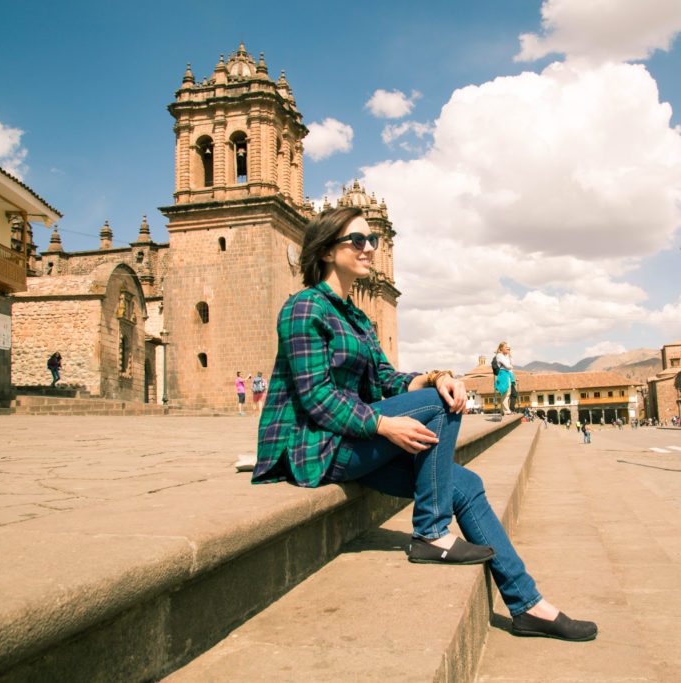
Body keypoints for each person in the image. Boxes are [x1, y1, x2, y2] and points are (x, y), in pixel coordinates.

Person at [252, 207, 596, 642]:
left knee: (465, 480)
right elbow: (317, 398)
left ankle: (528, 605)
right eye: (357, 241)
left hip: (349, 441)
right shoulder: (303, 308)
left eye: (372, 241)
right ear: (325, 250)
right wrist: (384, 424)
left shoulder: (357, 317)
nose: (369, 249)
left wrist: (437, 376)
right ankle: (431, 533)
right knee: (438, 405)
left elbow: (384, 378)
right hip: (314, 448)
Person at [493, 342, 515, 415]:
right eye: (506, 347)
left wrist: (509, 355)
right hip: (503, 375)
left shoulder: (505, 356)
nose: (507, 348)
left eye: (508, 347)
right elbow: (508, 366)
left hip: (506, 374)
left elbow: (512, 363)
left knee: (507, 393)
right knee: (506, 393)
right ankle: (506, 410)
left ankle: (503, 410)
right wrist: (510, 366)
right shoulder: (499, 355)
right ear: (501, 348)